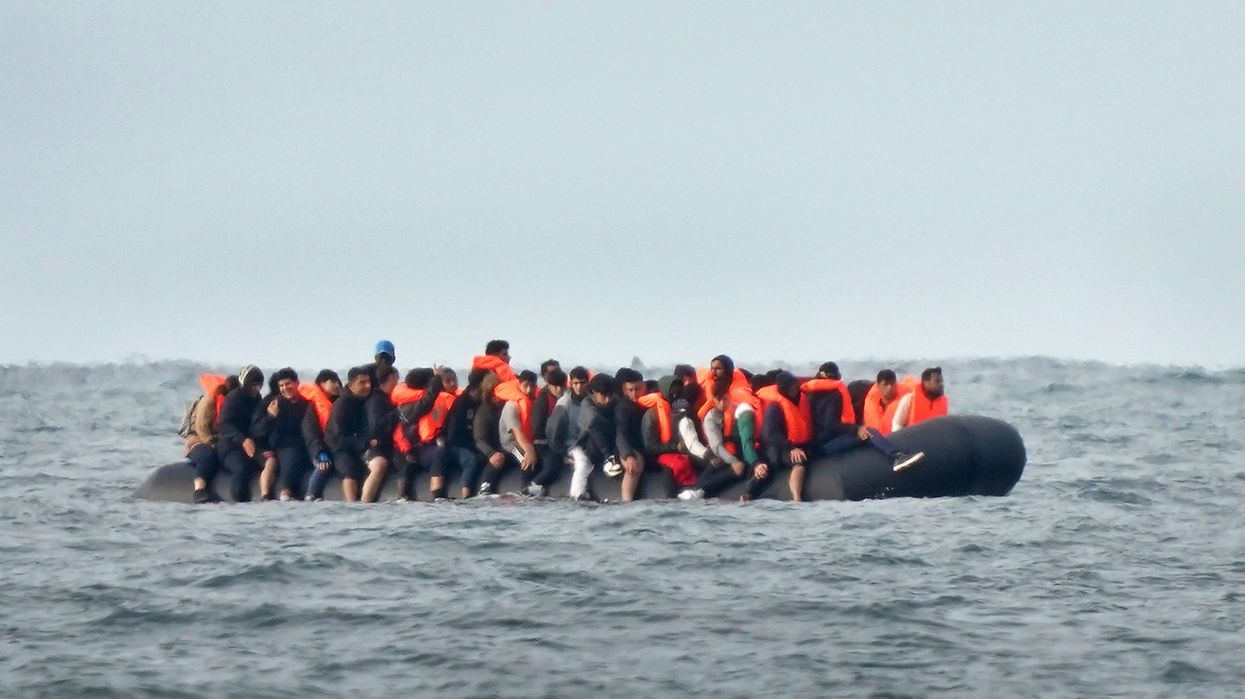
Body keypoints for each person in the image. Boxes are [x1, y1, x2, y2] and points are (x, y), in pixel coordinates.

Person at [806, 363, 924, 472]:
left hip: (815, 445)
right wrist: (856, 430)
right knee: (869, 431)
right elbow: (831, 424)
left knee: (863, 430)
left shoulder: (812, 395)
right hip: (826, 446)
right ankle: (896, 456)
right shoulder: (833, 396)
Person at [680, 378, 769, 500]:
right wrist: (733, 461)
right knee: (719, 465)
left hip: (741, 452)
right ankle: (699, 490)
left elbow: (746, 441)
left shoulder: (741, 410)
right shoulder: (711, 417)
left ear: (728, 397)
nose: (719, 403)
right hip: (717, 455)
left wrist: (753, 462)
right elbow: (716, 446)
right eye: (716, 400)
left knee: (754, 467)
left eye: (723, 399)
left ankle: (748, 493)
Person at [251, 368, 317, 501]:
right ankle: (285, 493)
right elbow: (256, 431)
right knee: (292, 456)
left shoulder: (307, 404)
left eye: (288, 384)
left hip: (304, 445)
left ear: (297, 383)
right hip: (281, 445)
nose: (285, 388)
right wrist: (270, 417)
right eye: (281, 385)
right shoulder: (273, 403)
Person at [325, 367, 387, 502]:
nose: (368, 386)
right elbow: (337, 437)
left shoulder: (367, 399)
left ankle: (365, 501)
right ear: (351, 384)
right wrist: (364, 443)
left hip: (359, 445)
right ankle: (352, 504)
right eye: (362, 383)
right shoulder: (342, 405)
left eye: (369, 382)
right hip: (340, 448)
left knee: (379, 463)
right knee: (350, 471)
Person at [757, 371, 814, 502]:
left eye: (795, 387)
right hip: (778, 449)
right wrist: (790, 448)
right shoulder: (775, 407)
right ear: (784, 389)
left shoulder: (801, 400)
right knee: (799, 461)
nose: (795, 390)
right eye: (791, 388)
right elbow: (770, 434)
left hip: (798, 445)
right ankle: (797, 497)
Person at [216, 365, 265, 502]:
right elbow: (223, 424)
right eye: (254, 385)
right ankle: (238, 502)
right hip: (229, 447)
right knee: (242, 468)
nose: (257, 389)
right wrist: (243, 440)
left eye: (259, 385)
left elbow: (257, 424)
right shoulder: (234, 398)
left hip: (251, 446)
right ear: (246, 384)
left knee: (269, 463)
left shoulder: (257, 399)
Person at [184, 374, 234, 503]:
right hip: (198, 442)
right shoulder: (208, 403)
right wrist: (215, 443)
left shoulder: (231, 405)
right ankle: (199, 489)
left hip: (219, 441)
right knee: (208, 456)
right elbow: (202, 430)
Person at [568, 373, 619, 501]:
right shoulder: (587, 404)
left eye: (610, 395)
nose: (607, 400)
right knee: (582, 465)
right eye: (603, 396)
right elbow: (593, 425)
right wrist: (608, 455)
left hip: (605, 445)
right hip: (583, 446)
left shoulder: (615, 402)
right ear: (594, 393)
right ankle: (576, 495)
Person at [439, 368, 485, 499]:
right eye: (448, 381)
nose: (453, 384)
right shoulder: (461, 403)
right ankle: (466, 496)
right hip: (454, 445)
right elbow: (453, 435)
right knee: (471, 460)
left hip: (470, 443)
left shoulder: (480, 402)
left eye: (455, 380)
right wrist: (475, 448)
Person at [299, 369, 341, 501]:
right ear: (321, 384)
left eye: (337, 381)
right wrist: (319, 453)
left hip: (333, 446)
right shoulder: (312, 406)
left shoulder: (337, 403)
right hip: (316, 448)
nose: (336, 385)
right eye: (332, 382)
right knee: (323, 466)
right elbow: (310, 432)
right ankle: (310, 495)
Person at [525, 367, 567, 496]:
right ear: (549, 385)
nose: (559, 389)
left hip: (557, 441)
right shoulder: (543, 400)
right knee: (552, 466)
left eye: (562, 386)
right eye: (555, 386)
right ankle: (532, 487)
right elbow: (537, 429)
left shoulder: (564, 398)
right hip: (542, 442)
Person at [891, 367, 949, 433]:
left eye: (941, 381)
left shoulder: (943, 403)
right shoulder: (909, 399)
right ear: (925, 382)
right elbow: (897, 424)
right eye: (937, 381)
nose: (941, 385)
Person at [862, 369, 910, 437]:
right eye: (886, 384)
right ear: (878, 386)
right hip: (876, 439)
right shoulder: (871, 402)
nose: (890, 388)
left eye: (892, 384)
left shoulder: (906, 401)